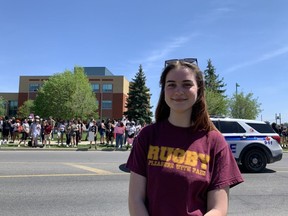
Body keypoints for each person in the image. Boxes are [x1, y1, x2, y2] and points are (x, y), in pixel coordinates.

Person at [126, 60, 244, 216]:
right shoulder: (147, 136)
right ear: (164, 90)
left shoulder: (215, 142)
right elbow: (135, 199)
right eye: (171, 84)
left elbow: (218, 208)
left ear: (199, 90)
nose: (178, 91)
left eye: (187, 84)